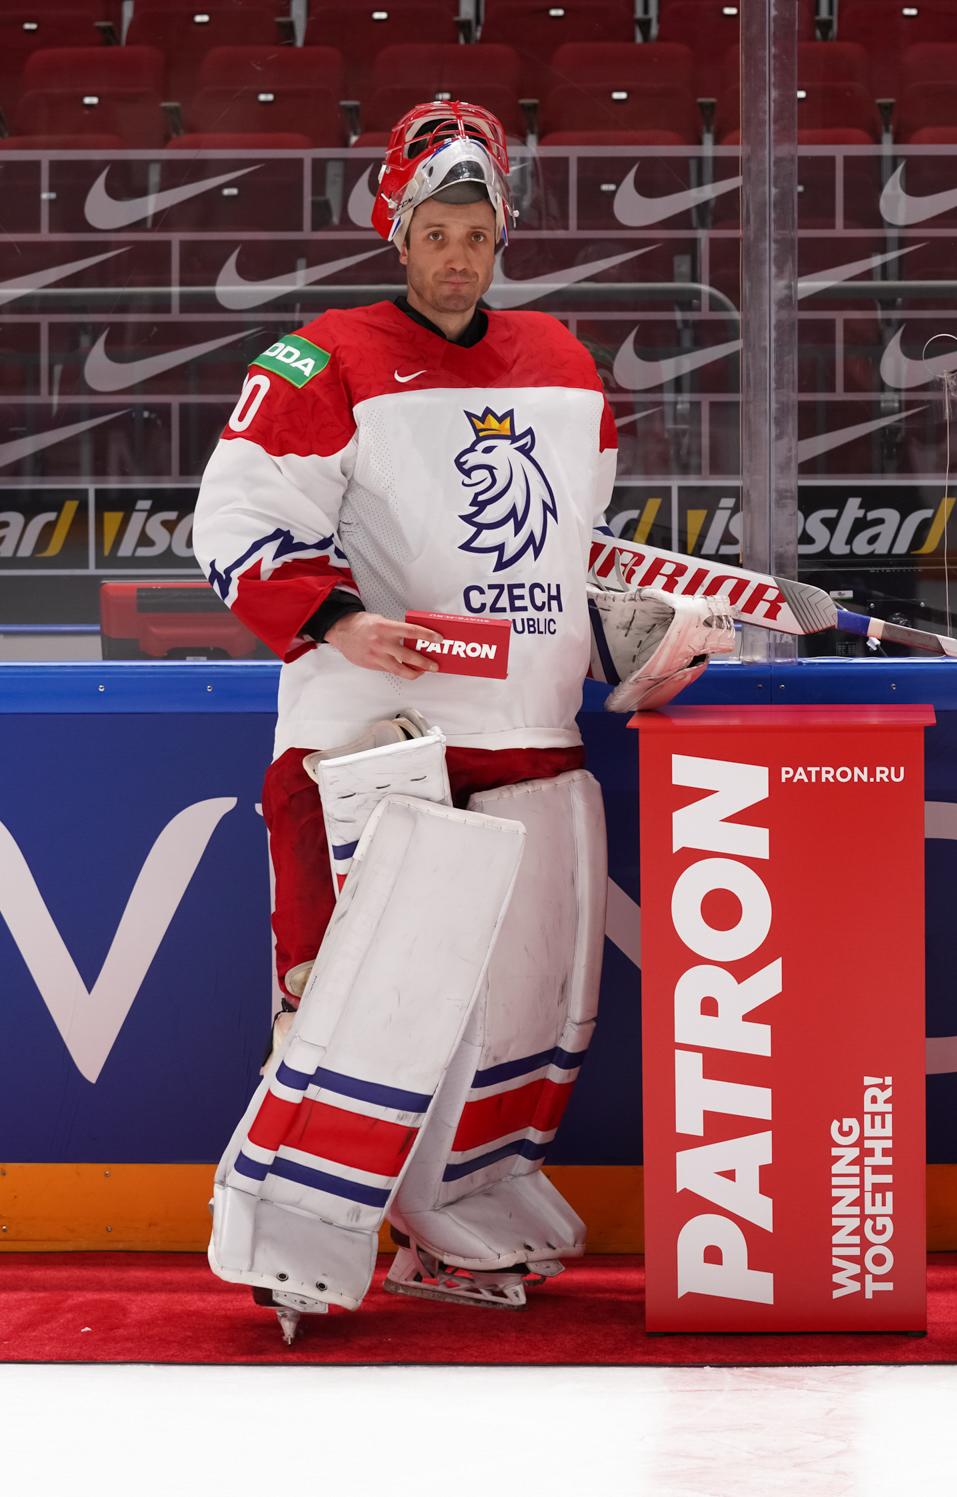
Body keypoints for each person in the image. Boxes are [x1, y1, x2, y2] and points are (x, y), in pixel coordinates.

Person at [191, 103, 722, 1339]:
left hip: (529, 722)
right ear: (396, 230)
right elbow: (232, 521)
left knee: (538, 991)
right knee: (353, 996)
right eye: (436, 231)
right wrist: (336, 619)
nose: (457, 255)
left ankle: (467, 1194)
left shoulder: (560, 361)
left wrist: (623, 637)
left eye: (477, 233)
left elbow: (555, 553)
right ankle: (292, 1228)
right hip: (378, 731)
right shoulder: (321, 360)